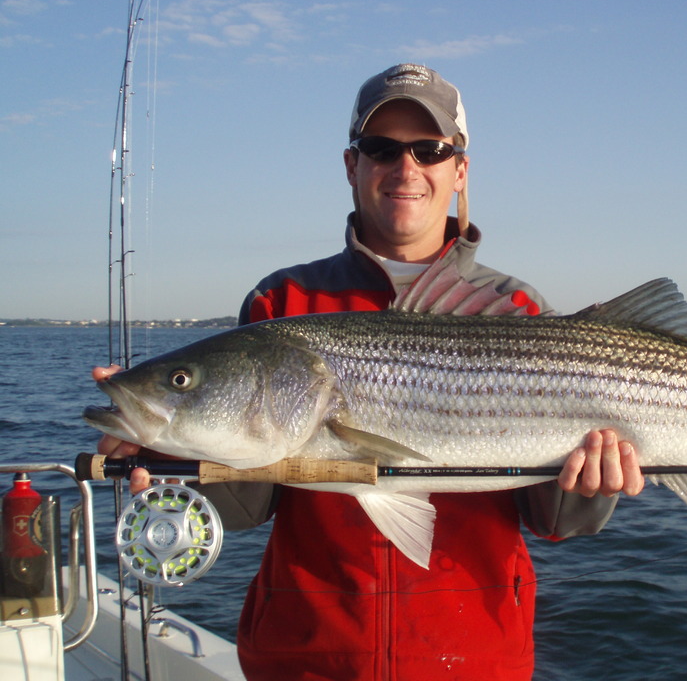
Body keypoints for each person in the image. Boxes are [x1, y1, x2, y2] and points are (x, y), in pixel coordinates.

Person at [97, 63, 645, 680]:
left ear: (460, 170)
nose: (406, 168)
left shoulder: (515, 308)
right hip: (303, 657)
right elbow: (249, 506)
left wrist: (589, 490)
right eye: (382, 148)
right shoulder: (281, 303)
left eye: (430, 150)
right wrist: (174, 454)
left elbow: (555, 521)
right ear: (351, 165)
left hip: (474, 659)